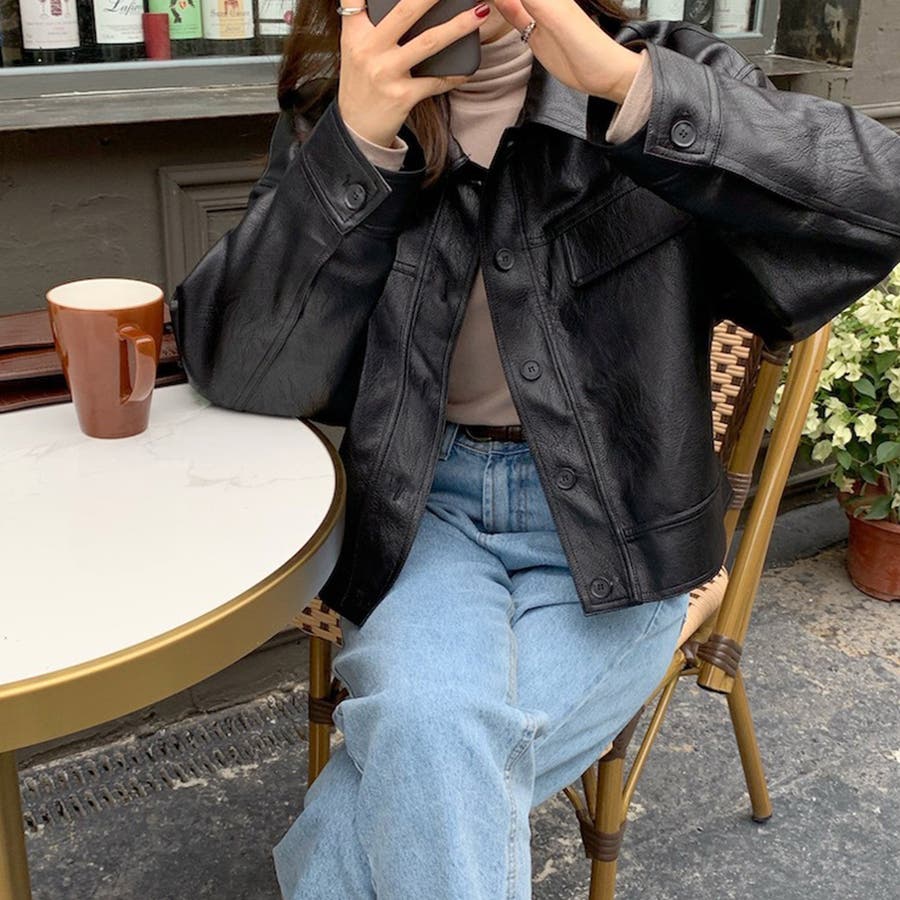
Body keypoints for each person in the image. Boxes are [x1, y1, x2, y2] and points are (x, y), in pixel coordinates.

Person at [168, 1, 900, 896]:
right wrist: (355, 145)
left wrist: (627, 87)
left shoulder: (657, 67)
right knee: (437, 733)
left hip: (623, 525)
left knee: (422, 749)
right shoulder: (344, 105)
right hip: (420, 512)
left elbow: (879, 200)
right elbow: (238, 366)